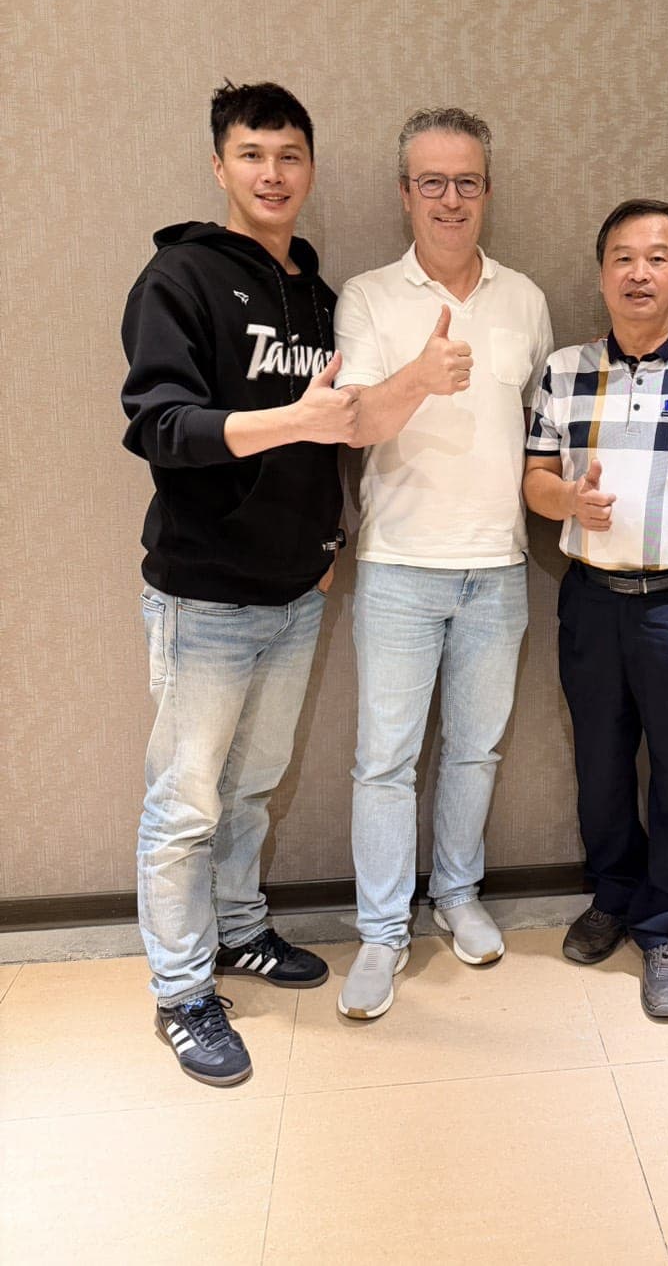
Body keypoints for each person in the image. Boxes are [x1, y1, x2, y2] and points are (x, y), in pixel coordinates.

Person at [121, 81, 360, 1086]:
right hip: (204, 596)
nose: (272, 173)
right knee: (185, 804)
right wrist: (294, 420)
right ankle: (183, 991)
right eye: (252, 154)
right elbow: (161, 426)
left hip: (296, 594)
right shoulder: (176, 277)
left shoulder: (320, 295)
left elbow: (339, 431)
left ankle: (239, 927)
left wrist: (328, 537)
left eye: (289, 155)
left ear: (310, 169)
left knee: (252, 785)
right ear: (219, 165)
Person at [333, 107, 553, 1020]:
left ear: (487, 191)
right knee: (384, 761)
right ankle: (382, 931)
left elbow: (540, 428)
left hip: (497, 567)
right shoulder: (368, 295)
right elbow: (353, 426)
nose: (450, 199)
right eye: (432, 181)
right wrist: (419, 376)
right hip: (397, 566)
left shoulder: (525, 298)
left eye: (466, 181)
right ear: (405, 193)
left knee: (474, 748)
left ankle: (457, 893)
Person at [524, 200, 668, 1020]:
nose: (639, 272)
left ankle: (666, 927)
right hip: (592, 602)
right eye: (622, 257)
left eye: (658, 257)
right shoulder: (563, 370)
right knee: (600, 765)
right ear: (601, 274)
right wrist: (567, 500)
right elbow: (535, 480)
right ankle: (614, 895)